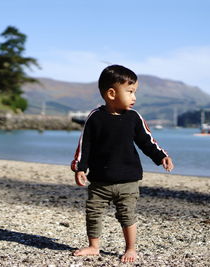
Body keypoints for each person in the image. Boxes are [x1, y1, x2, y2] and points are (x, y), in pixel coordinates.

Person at [71, 64, 174, 263]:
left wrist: (161, 156)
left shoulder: (134, 118)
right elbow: (85, 145)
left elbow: (147, 141)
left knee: (127, 215)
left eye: (134, 92)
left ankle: (131, 248)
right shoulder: (95, 117)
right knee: (93, 212)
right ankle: (93, 246)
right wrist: (79, 167)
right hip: (100, 182)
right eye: (130, 92)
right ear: (111, 93)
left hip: (128, 180)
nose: (134, 97)